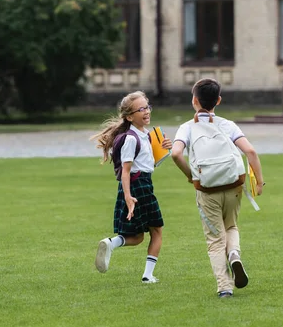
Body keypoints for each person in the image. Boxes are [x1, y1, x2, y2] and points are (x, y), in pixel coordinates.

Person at [171, 78, 265, 298]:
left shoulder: (187, 127)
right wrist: (259, 182)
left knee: (214, 239)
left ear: (194, 100)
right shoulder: (227, 125)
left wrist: (190, 175)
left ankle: (224, 287)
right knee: (231, 226)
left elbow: (175, 153)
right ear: (218, 100)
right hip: (234, 185)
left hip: (207, 190)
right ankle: (234, 254)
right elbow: (250, 152)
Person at [91, 91, 172, 283]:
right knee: (157, 230)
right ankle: (147, 275)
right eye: (141, 109)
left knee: (137, 237)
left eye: (147, 106)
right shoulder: (130, 138)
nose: (146, 111)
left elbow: (148, 163)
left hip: (142, 184)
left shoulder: (146, 136)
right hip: (138, 186)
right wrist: (128, 196)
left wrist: (163, 148)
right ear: (129, 116)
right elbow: (126, 171)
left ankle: (111, 244)